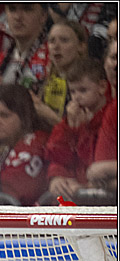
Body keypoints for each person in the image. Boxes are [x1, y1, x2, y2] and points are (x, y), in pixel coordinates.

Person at [45, 57, 114, 201]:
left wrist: (85, 186)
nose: (77, 98)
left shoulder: (110, 116)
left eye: (83, 90)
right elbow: (56, 156)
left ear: (102, 87)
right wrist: (56, 177)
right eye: (73, 92)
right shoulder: (71, 120)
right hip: (75, 191)